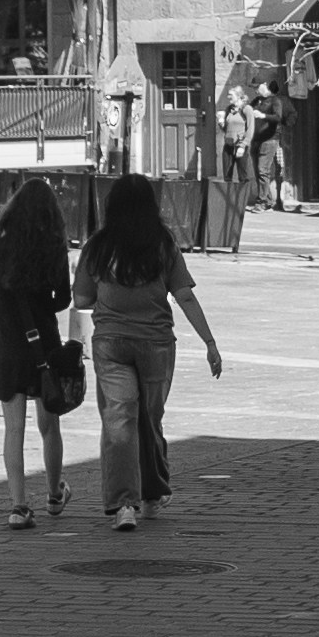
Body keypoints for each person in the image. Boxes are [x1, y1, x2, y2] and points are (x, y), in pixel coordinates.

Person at [80, 170, 224, 530]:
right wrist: (209, 342)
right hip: (157, 343)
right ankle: (152, 493)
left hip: (111, 342)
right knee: (149, 417)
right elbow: (184, 294)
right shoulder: (163, 243)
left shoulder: (97, 246)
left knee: (119, 419)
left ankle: (122, 505)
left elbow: (81, 297)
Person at [0, 177, 75, 527]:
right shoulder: (51, 244)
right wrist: (42, 299)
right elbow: (63, 299)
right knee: (49, 424)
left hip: (7, 345)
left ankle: (18, 506)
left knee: (12, 430)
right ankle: (53, 494)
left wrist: (2, 331)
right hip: (44, 344)